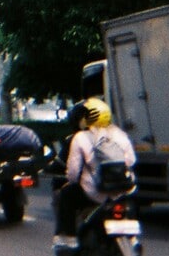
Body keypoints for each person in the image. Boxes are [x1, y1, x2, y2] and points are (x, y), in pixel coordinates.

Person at [53, 97, 136, 249]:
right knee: (129, 204)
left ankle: (68, 240)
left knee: (66, 194)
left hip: (93, 194)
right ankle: (133, 239)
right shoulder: (119, 134)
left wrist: (75, 180)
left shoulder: (80, 137)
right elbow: (131, 161)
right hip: (122, 191)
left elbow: (72, 173)